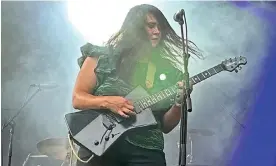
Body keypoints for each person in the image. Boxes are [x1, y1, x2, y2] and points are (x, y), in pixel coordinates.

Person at [72, 4, 202, 166]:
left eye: (160, 28)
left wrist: (178, 103)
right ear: (134, 27)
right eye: (151, 26)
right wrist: (108, 102)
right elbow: (78, 98)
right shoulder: (101, 57)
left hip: (146, 150)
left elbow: (166, 125)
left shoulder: (169, 72)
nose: (157, 32)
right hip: (101, 144)